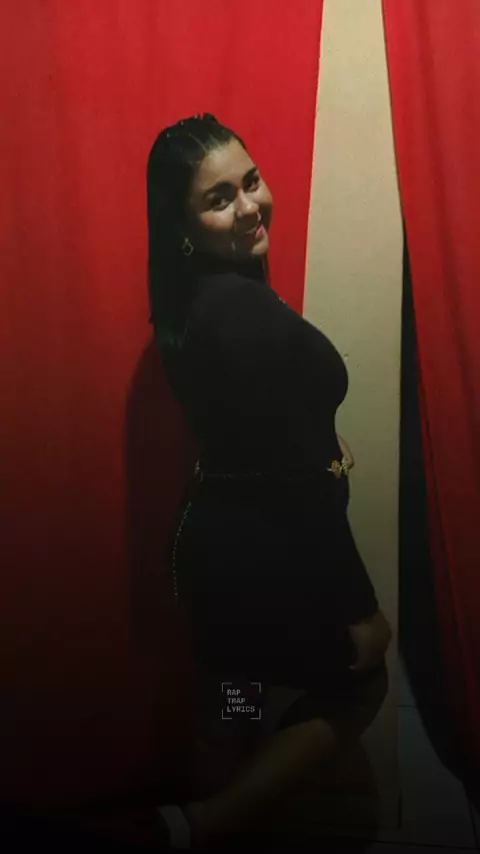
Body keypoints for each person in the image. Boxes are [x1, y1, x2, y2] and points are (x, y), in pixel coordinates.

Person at [146, 114, 392, 848]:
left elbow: (249, 413)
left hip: (219, 550)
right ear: (184, 225)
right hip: (259, 554)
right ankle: (205, 826)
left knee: (239, 699)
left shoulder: (202, 296)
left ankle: (200, 821)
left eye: (250, 181)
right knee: (360, 685)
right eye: (219, 198)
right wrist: (360, 610)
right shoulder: (240, 309)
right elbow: (304, 490)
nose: (249, 205)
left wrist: (315, 422)